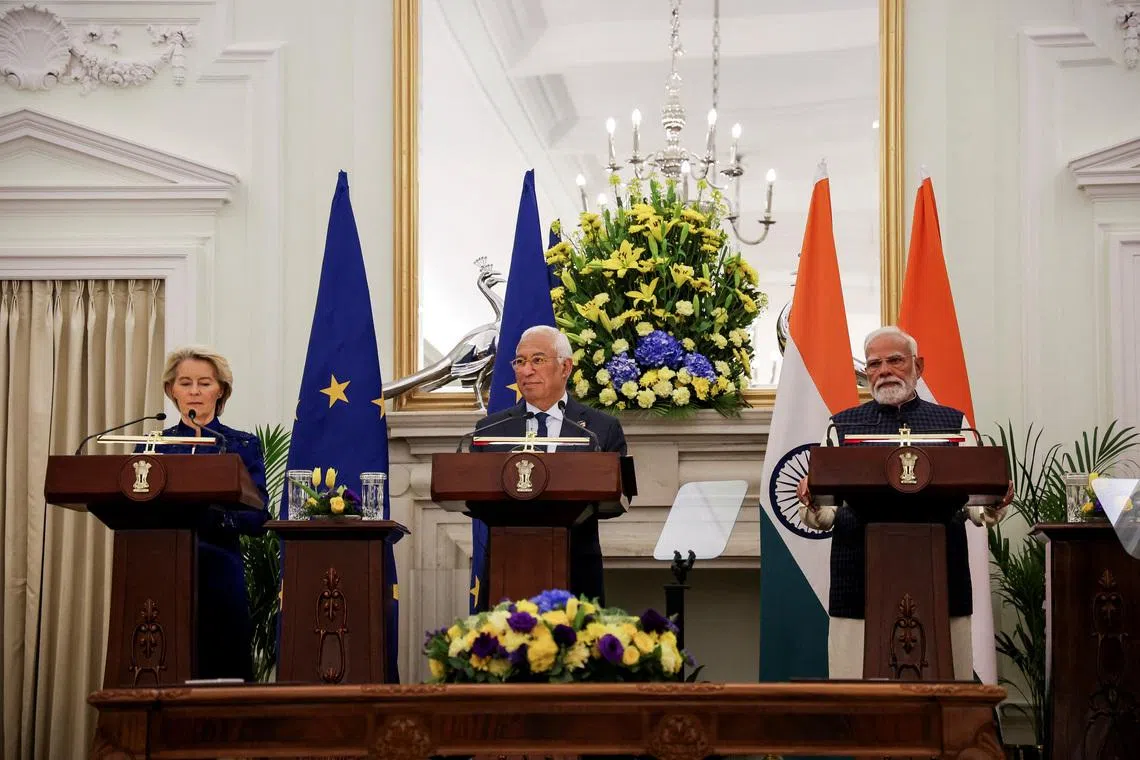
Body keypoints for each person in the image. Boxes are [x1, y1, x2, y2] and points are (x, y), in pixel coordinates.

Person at [795, 326, 1011, 680]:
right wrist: (813, 498)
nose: (884, 371)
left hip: (940, 573)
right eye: (874, 364)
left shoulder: (953, 424)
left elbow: (978, 506)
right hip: (859, 577)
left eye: (895, 360)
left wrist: (992, 500)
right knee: (859, 696)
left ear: (918, 366)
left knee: (946, 694)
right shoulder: (841, 426)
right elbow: (823, 515)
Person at [473, 325, 627, 607]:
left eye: (537, 360)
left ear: (565, 367)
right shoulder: (490, 429)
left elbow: (616, 497)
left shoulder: (601, 429)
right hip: (507, 569)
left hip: (577, 570)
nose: (526, 370)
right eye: (520, 361)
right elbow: (473, 495)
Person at [146, 346, 269, 680]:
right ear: (172, 391)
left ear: (221, 390)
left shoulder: (241, 446)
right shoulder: (152, 446)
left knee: (222, 666)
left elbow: (258, 518)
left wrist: (214, 515)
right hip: (162, 571)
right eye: (185, 383)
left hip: (219, 567)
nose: (195, 392)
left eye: (204, 383)